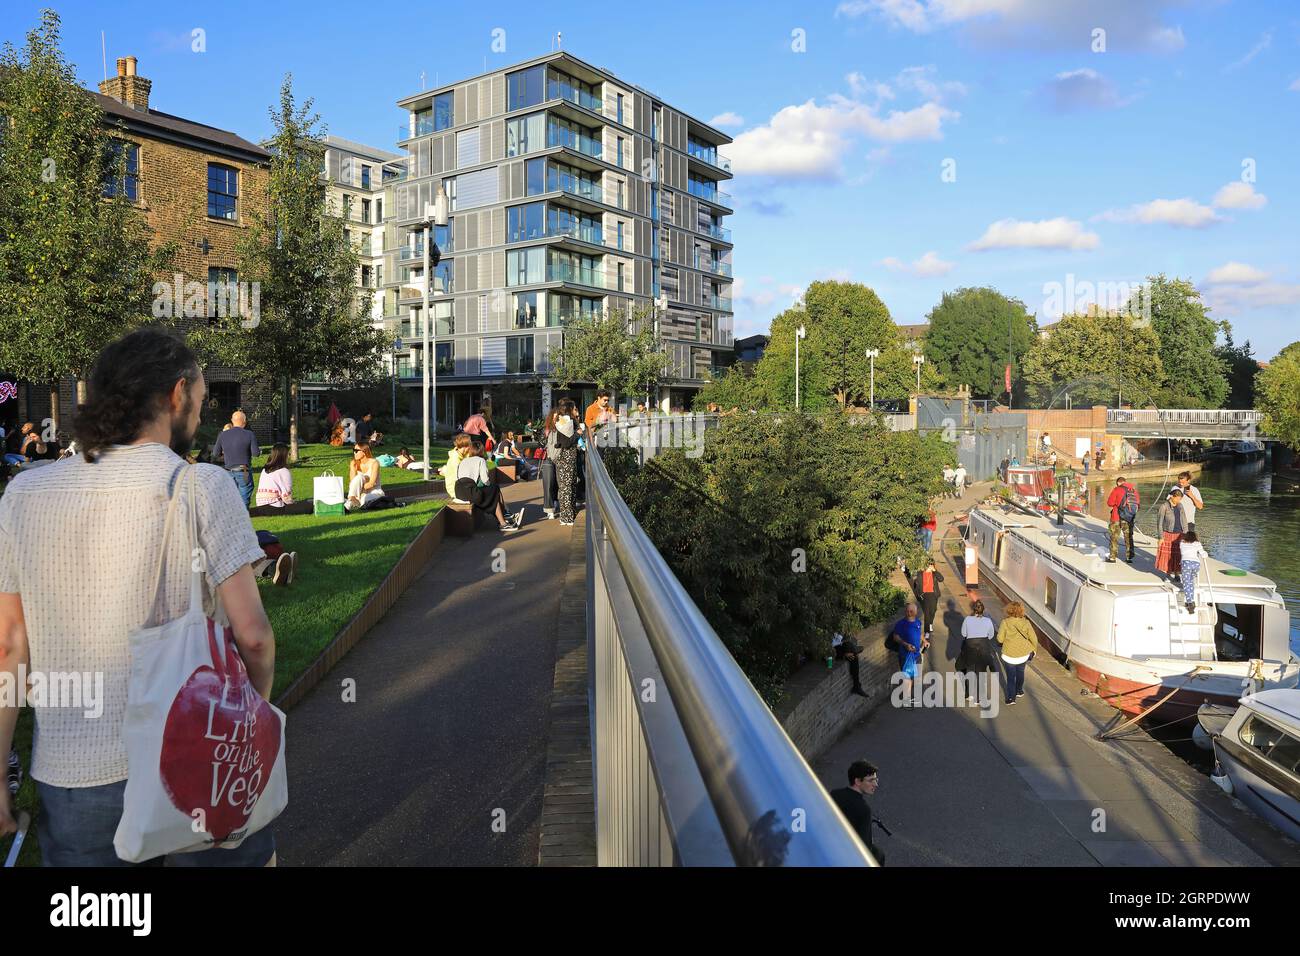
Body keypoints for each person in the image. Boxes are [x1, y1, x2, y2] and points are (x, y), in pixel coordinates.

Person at [0, 327, 277, 866]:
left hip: (73, 771)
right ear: (176, 395)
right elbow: (255, 636)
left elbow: (9, 648)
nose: (198, 418)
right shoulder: (203, 485)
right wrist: (257, 713)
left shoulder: (22, 496)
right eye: (197, 404)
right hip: (202, 758)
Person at [455, 441, 521, 532]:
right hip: (470, 490)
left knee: (492, 492)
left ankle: (505, 515)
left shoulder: (463, 461)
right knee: (494, 490)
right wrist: (489, 485)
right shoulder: (481, 460)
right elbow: (485, 480)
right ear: (482, 451)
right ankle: (503, 521)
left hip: (459, 491)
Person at [829, 760, 884, 863]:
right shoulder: (864, 810)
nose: (875, 784)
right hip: (848, 856)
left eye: (876, 780)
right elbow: (864, 848)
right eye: (871, 780)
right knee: (879, 855)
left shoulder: (834, 794)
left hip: (831, 846)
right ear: (858, 781)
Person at [211, 409, 260, 507]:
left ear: (232, 421)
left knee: (231, 495)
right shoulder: (249, 434)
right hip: (244, 470)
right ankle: (243, 513)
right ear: (244, 422)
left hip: (228, 470)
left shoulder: (222, 434)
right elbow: (256, 453)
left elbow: (215, 453)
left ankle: (233, 515)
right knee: (245, 492)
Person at [957, 600, 999, 703]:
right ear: (983, 610)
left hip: (970, 648)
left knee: (969, 670)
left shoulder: (967, 619)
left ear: (974, 609)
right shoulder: (988, 621)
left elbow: (963, 633)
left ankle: (969, 694)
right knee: (981, 673)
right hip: (983, 648)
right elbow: (991, 635)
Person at [996, 602, 1036, 705]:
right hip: (1023, 654)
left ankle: (1011, 698)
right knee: (1020, 672)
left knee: (1010, 677)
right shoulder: (1026, 623)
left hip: (1009, 655)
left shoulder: (1005, 622)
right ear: (1021, 611)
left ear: (1009, 610)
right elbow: (1034, 638)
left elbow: (1000, 639)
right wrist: (1034, 650)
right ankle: (1019, 690)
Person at [890, 603, 927, 706]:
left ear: (915, 612)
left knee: (916, 677)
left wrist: (924, 641)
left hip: (917, 655)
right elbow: (895, 637)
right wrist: (905, 644)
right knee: (907, 677)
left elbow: (919, 634)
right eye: (907, 611)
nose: (909, 613)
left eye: (911, 611)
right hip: (906, 656)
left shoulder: (918, 622)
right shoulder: (901, 624)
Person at [554, 400, 583, 526]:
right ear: (569, 409)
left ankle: (569, 514)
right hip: (566, 458)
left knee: (570, 485)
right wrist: (577, 434)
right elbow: (566, 443)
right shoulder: (566, 423)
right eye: (574, 408)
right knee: (567, 487)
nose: (576, 410)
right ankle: (566, 517)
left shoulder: (565, 422)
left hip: (568, 458)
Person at [1105, 476, 1140, 563]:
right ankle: (1129, 557)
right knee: (1128, 537)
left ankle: (1112, 557)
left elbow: (1110, 503)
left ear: (1118, 483)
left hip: (1116, 517)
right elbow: (1138, 504)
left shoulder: (1117, 489)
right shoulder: (1134, 491)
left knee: (1114, 537)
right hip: (1129, 518)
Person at [345, 442, 384, 512]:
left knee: (364, 499)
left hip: (374, 491)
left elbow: (372, 483)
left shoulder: (374, 463)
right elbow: (352, 482)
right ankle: (350, 502)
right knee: (359, 477)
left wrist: (361, 490)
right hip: (358, 493)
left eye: (356, 451)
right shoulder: (353, 463)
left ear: (364, 452)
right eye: (353, 450)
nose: (354, 453)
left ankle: (351, 502)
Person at [1155, 489, 1185, 579]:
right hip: (1168, 533)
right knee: (1168, 556)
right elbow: (1159, 523)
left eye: (1180, 499)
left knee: (1178, 555)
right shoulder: (1164, 506)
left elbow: (1184, 520)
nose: (1179, 501)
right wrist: (1161, 537)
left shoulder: (1180, 506)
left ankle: (1177, 574)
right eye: (1178, 498)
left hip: (1179, 534)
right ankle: (1167, 574)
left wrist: (1185, 535)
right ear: (1172, 496)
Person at [255, 442, 294, 508]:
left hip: (260, 504)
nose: (289, 457)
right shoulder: (284, 471)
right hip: (275, 505)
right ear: (283, 456)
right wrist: (292, 503)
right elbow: (286, 495)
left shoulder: (264, 470)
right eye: (288, 454)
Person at [913, 559, 943, 636]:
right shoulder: (920, 573)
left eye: (932, 564)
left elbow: (941, 579)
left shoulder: (934, 573)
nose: (930, 566)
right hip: (925, 595)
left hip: (933, 594)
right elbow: (917, 585)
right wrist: (919, 595)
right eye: (929, 564)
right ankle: (927, 631)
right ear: (926, 565)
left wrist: (935, 571)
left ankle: (930, 624)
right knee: (926, 613)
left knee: (933, 611)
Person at [834, 632, 868, 698]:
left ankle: (856, 686)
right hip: (835, 650)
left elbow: (845, 638)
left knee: (850, 650)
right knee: (853, 655)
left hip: (842, 647)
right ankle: (856, 686)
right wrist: (844, 654)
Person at [1179, 531, 1206, 613]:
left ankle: (1189, 602)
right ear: (1195, 537)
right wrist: (1205, 555)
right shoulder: (1197, 543)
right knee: (1191, 581)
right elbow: (1203, 554)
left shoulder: (1182, 543)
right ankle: (1192, 599)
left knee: (1186, 582)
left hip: (1186, 563)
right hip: (1195, 564)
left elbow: (1183, 553)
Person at [441, 434, 472, 501]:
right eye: (462, 447)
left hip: (463, 484)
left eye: (468, 445)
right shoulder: (455, 459)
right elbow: (459, 476)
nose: (470, 447)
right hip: (455, 488)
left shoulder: (465, 455)